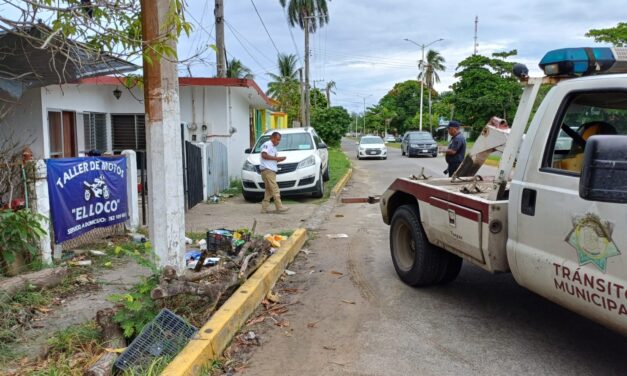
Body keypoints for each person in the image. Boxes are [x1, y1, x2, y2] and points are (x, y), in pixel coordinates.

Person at [260, 132, 289, 214]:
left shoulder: (273, 148)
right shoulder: (267, 144)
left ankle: (264, 208)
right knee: (275, 188)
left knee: (269, 190)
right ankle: (279, 206)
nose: (278, 142)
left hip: (270, 171)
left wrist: (278, 159)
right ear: (272, 138)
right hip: (268, 171)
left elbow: (270, 159)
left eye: (279, 140)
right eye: (277, 139)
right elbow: (264, 155)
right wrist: (277, 158)